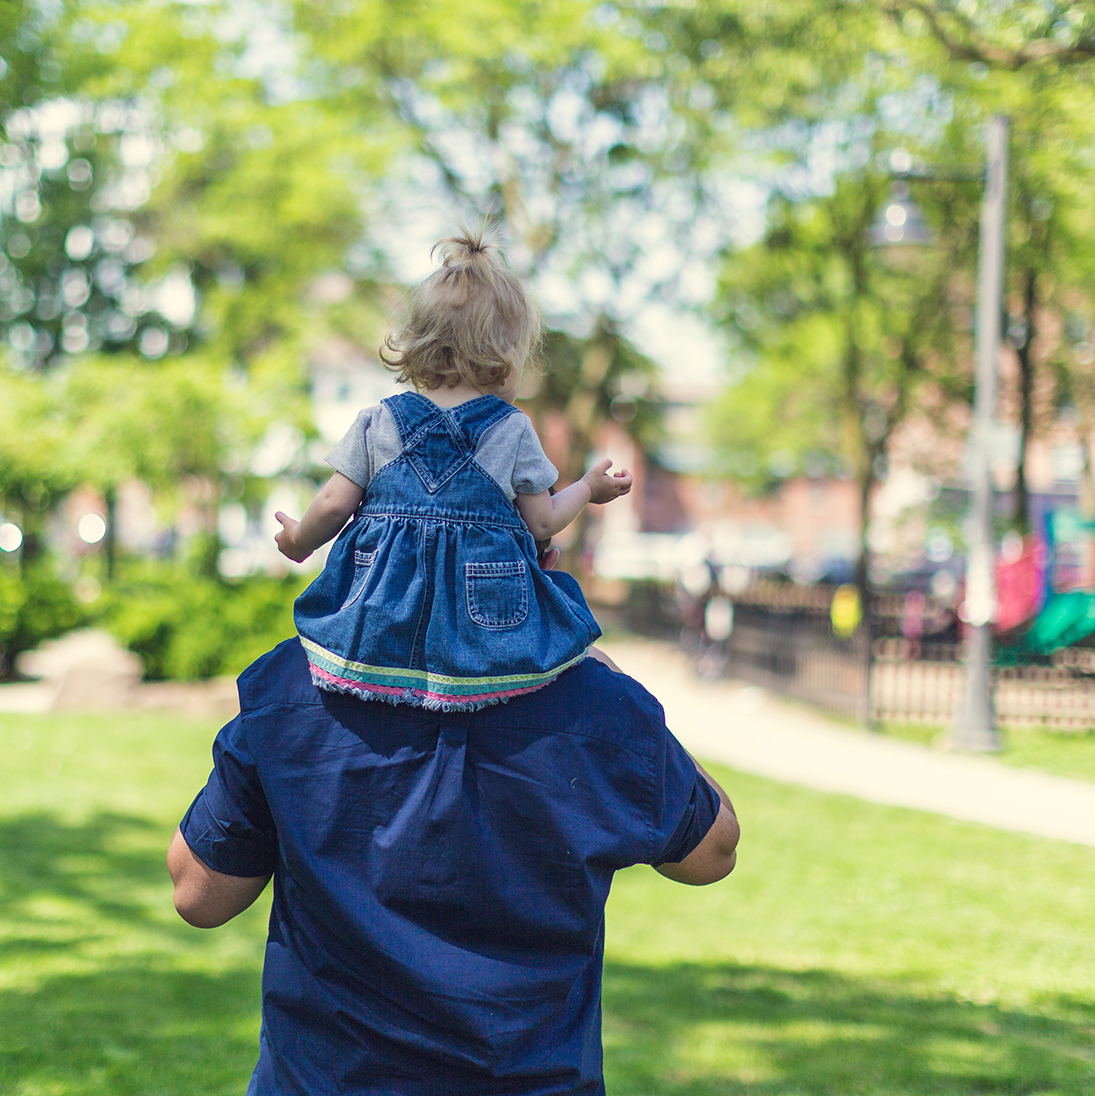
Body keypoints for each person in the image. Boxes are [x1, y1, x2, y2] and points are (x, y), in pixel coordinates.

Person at [168, 637, 740, 1095]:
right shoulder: (596, 700)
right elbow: (714, 850)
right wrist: (608, 681)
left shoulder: (295, 683)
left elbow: (198, 894)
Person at [274, 227, 632, 710]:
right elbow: (544, 521)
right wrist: (587, 488)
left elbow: (335, 502)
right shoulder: (512, 430)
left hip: (380, 618)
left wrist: (299, 541)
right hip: (480, 632)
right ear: (508, 358)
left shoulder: (379, 421)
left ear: (417, 342)